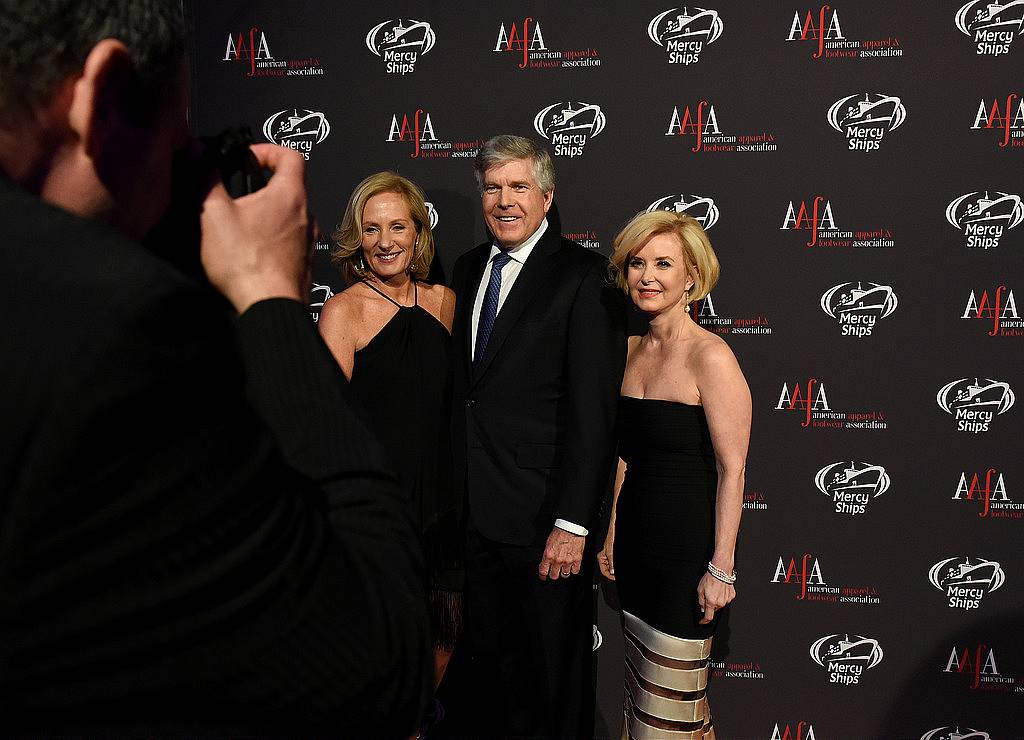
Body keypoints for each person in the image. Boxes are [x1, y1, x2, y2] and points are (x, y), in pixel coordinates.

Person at [0, 1, 430, 734]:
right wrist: (268, 294)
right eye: (174, 129)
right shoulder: (122, 328)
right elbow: (373, 663)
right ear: (101, 92)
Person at [449, 134, 627, 736]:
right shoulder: (470, 268)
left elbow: (594, 415)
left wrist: (575, 523)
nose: (504, 201)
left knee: (552, 682)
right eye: (493, 188)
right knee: (490, 683)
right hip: (475, 518)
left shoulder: (585, 277)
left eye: (519, 186)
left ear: (546, 197)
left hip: (545, 520)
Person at [598, 210, 751, 740]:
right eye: (638, 263)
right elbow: (626, 453)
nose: (647, 276)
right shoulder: (630, 351)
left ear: (691, 277)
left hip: (685, 553)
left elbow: (733, 469)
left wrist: (722, 567)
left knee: (671, 711)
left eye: (663, 264)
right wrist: (614, 532)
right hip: (637, 546)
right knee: (646, 702)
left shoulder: (712, 356)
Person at [319, 172, 461, 690]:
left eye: (397, 227)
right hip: (379, 507)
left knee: (442, 637)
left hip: (445, 503)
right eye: (372, 229)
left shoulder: (446, 302)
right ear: (358, 238)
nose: (385, 242)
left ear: (418, 234)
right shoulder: (344, 310)